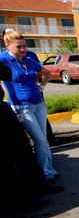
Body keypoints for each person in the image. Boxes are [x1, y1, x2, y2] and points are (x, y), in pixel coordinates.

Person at [0, 29, 58, 180]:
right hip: (21, 107)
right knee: (39, 140)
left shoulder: (28, 59)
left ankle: (48, 170)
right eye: (19, 46)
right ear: (7, 45)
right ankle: (43, 174)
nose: (23, 49)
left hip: (38, 104)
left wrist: (41, 86)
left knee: (43, 140)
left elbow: (47, 73)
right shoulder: (3, 60)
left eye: (24, 45)